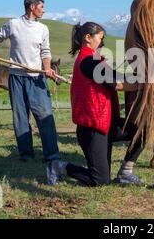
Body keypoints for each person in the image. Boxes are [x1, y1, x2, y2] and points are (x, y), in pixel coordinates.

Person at [52, 22, 145, 186]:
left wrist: (142, 77)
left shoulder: (95, 60)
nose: (102, 43)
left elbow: (117, 75)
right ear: (88, 38)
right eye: (100, 38)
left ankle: (126, 171)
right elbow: (117, 84)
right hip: (92, 129)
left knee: (144, 132)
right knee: (100, 181)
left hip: (107, 123)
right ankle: (59, 167)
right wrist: (145, 83)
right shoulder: (87, 62)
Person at [0, 0, 62, 185]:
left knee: (44, 115)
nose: (44, 10)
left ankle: (52, 154)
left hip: (36, 76)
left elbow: (45, 51)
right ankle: (26, 154)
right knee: (20, 116)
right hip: (17, 76)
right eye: (41, 7)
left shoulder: (43, 29)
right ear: (32, 7)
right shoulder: (13, 24)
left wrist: (47, 68)